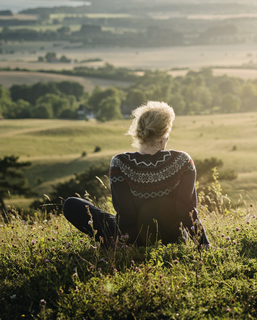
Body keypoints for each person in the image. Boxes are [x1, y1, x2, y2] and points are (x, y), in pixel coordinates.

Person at [63, 101, 209, 247]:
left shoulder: (120, 162)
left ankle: (115, 242)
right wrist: (204, 244)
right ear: (164, 135)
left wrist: (125, 241)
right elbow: (187, 211)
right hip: (172, 239)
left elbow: (125, 213)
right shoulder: (183, 161)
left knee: (71, 205)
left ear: (139, 132)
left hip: (133, 238)